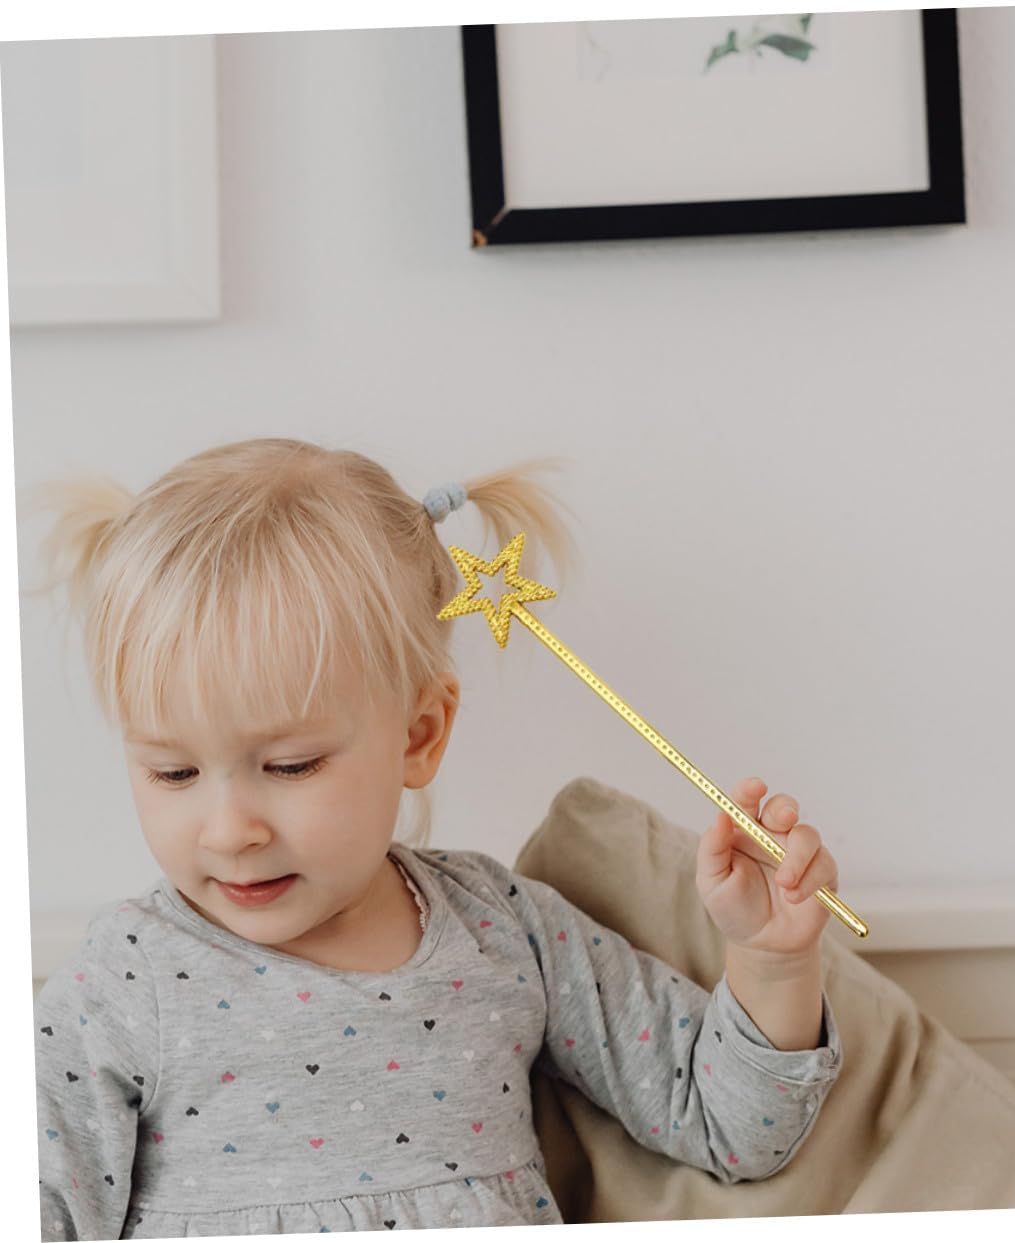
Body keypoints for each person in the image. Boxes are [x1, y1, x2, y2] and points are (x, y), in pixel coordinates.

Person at [28, 437, 843, 1237]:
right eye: (172, 772)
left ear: (419, 735)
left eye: (290, 765)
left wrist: (772, 958)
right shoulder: (124, 979)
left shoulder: (505, 929)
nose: (229, 830)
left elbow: (727, 1126)